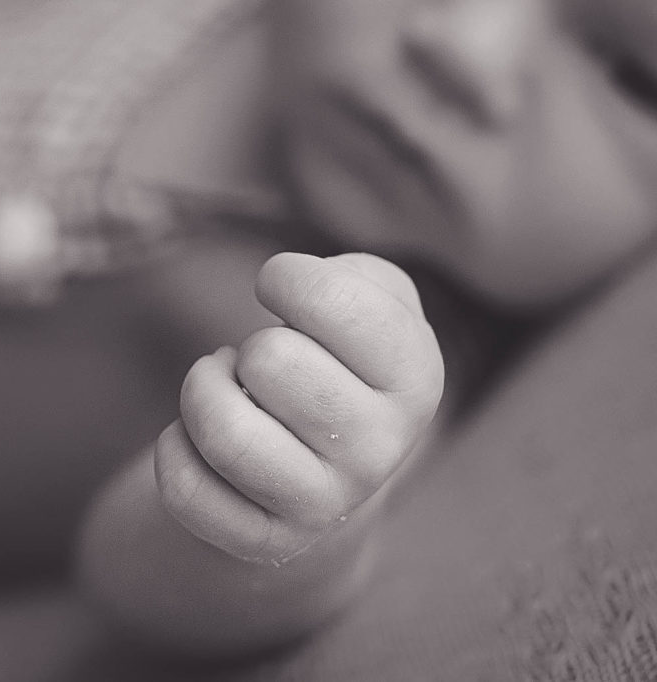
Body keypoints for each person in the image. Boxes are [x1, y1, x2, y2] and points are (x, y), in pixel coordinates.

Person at [74, 0, 657, 676]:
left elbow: (140, 590)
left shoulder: (378, 378)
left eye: (632, 71)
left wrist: (270, 516)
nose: (466, 51)